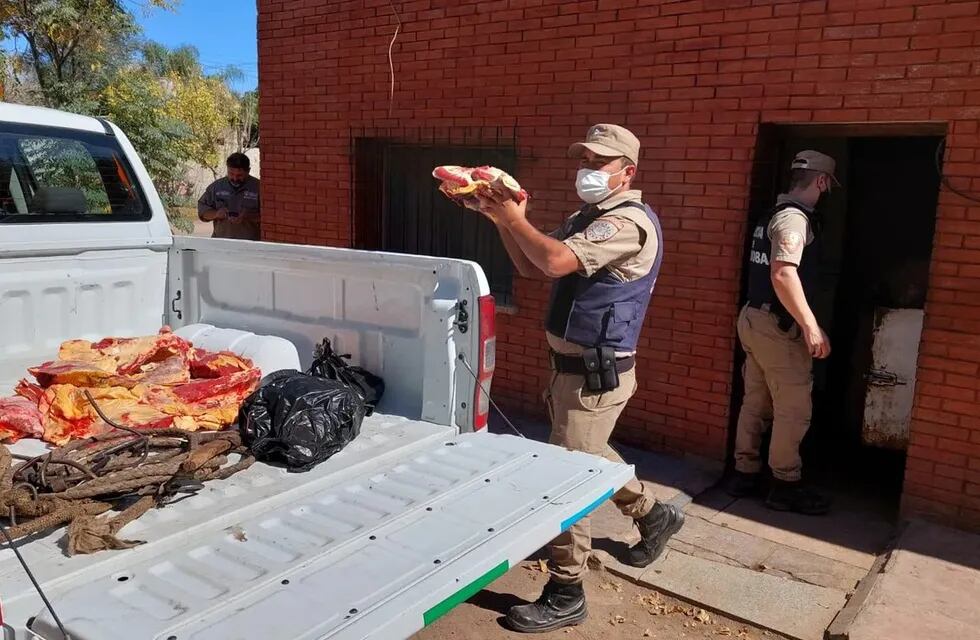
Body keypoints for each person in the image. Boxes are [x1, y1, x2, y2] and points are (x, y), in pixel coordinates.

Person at [475, 124, 684, 633]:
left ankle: (567, 589)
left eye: (600, 163)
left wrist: (513, 217)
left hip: (594, 377)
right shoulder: (587, 217)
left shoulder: (626, 223)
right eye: (584, 160)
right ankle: (654, 514)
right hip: (570, 373)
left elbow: (552, 259)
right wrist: (501, 220)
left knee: (567, 479)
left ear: (627, 171)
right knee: (590, 457)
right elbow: (532, 269)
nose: (588, 171)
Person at [726, 150, 839, 515]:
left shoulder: (772, 213)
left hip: (754, 319)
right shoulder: (793, 219)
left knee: (756, 401)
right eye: (827, 185)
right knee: (793, 408)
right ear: (821, 181)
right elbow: (783, 273)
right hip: (776, 327)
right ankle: (785, 484)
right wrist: (811, 326)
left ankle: (745, 473)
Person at [198, 152, 261, 240]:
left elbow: (270, 218)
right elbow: (202, 212)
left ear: (248, 171)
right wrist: (216, 214)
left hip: (250, 244)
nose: (235, 179)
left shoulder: (259, 187)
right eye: (231, 174)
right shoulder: (216, 187)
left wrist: (247, 216)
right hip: (221, 243)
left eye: (239, 175)